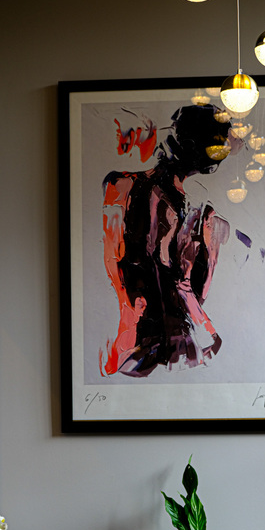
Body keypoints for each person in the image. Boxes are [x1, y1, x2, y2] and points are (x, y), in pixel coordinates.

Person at [100, 103, 232, 378]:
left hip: (145, 335)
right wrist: (207, 330)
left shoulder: (119, 186)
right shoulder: (199, 215)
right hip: (163, 338)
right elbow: (185, 286)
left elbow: (117, 265)